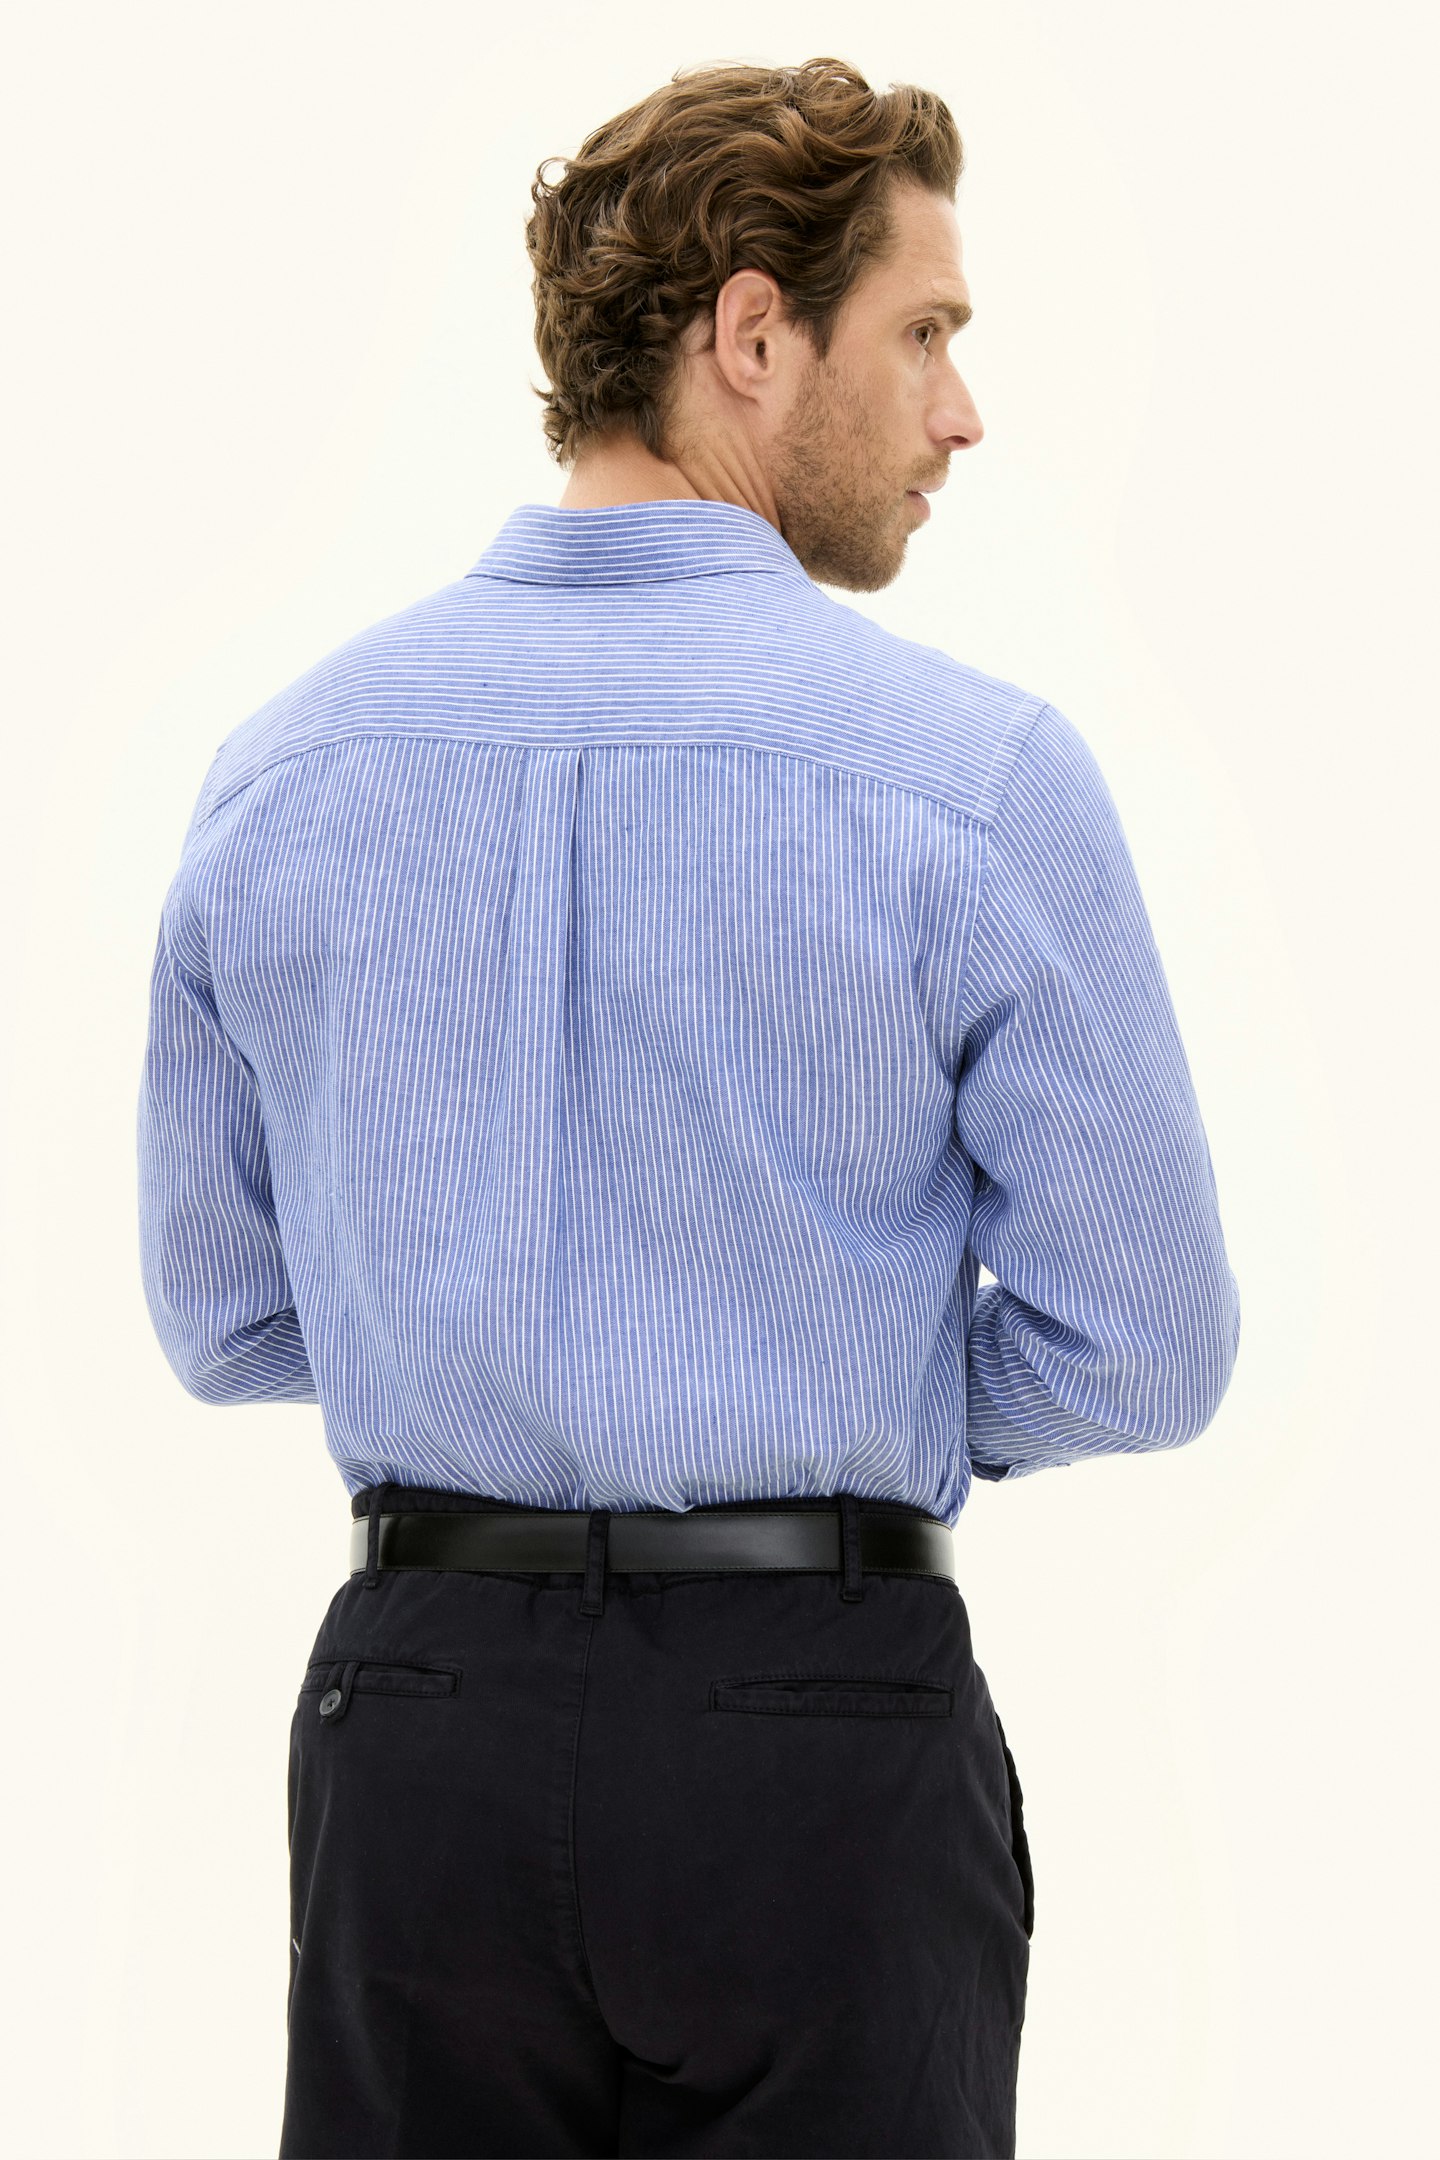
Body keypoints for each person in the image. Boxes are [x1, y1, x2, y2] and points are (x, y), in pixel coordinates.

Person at [136, 53, 1240, 2160]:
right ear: (752, 333)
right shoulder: (970, 780)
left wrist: (490, 1335)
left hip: (421, 1729)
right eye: (924, 333)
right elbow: (1150, 1345)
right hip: (819, 1730)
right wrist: (834, 1361)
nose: (961, 413)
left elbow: (222, 1319)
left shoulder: (285, 773)